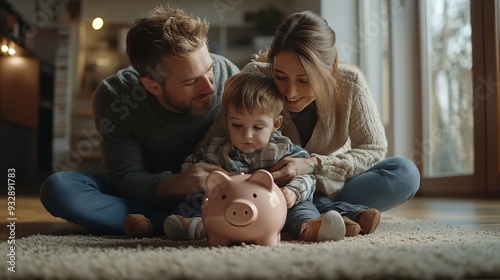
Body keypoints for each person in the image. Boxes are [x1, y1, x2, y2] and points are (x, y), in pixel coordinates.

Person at [39, 5, 240, 235]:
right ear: (151, 85)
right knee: (59, 189)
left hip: (209, 194)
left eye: (209, 68)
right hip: (147, 193)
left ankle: (156, 223)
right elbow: (125, 177)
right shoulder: (116, 96)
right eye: (191, 82)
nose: (210, 86)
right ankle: (176, 222)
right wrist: (177, 183)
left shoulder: (228, 75)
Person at [213, 11, 421, 233]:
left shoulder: (350, 83)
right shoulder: (255, 77)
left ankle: (319, 214)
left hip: (332, 185)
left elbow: (373, 147)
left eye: (304, 80)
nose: (290, 92)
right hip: (274, 190)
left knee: (404, 173)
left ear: (329, 71)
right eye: (280, 77)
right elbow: (219, 136)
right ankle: (341, 214)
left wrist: (313, 164)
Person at [125, 71, 379, 241]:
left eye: (258, 128)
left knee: (303, 208)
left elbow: (309, 178)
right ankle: (161, 225)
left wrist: (291, 193)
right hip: (226, 205)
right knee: (189, 208)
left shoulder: (284, 149)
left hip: (274, 206)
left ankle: (311, 228)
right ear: (226, 121)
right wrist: (202, 183)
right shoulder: (215, 149)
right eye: (237, 126)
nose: (247, 135)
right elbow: (191, 171)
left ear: (276, 124)